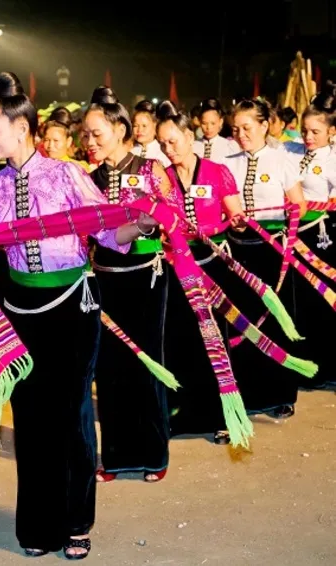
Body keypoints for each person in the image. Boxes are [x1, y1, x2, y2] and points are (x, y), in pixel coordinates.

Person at [0, 72, 157, 559]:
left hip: (71, 309)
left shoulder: (66, 174)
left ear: (21, 130)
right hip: (17, 310)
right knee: (30, 417)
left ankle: (75, 521)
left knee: (70, 415)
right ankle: (39, 527)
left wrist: (142, 224)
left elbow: (108, 234)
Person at [84, 86, 173, 484]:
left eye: (97, 133)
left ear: (120, 129)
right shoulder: (86, 179)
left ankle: (153, 454)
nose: (90, 141)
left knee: (147, 362)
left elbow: (169, 219)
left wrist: (151, 225)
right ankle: (116, 456)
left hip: (146, 278)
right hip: (105, 280)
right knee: (110, 367)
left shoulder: (151, 170)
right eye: (85, 134)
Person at [155, 100, 246, 444]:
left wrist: (236, 224)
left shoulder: (217, 171)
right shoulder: (160, 179)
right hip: (177, 266)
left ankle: (221, 415)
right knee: (180, 339)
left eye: (174, 140)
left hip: (212, 265)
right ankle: (186, 413)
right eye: (163, 143)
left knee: (217, 340)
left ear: (189, 137)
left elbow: (235, 216)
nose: (169, 148)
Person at [223, 98, 306, 419]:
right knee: (242, 318)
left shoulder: (280, 159)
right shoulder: (228, 163)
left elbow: (299, 204)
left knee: (274, 318)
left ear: (263, 126)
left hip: (271, 251)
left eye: (247, 128)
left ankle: (279, 393)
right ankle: (249, 391)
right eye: (236, 129)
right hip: (237, 250)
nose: (241, 134)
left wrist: (276, 221)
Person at [283, 81, 336, 387]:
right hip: (290, 237)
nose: (308, 137)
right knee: (296, 301)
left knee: (321, 302)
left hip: (320, 238)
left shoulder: (332, 158)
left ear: (330, 131)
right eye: (304, 130)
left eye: (316, 131)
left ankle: (327, 366)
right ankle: (301, 363)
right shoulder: (289, 150)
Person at [193, 99, 241, 163]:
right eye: (204, 123)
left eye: (213, 123)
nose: (208, 128)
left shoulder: (229, 146)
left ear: (221, 122)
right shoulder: (193, 146)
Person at [131, 100, 171, 167]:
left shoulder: (164, 152)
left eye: (144, 126)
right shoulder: (130, 152)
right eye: (135, 126)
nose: (139, 130)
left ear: (155, 126)